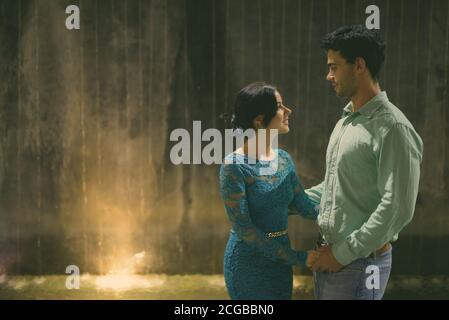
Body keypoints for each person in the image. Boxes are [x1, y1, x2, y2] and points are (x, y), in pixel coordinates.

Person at [306, 25, 424, 300]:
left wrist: (342, 254)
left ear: (358, 65)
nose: (329, 75)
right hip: (333, 259)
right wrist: (289, 201)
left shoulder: (393, 128)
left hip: (358, 264)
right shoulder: (347, 121)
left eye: (334, 67)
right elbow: (338, 186)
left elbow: (397, 206)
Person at [219, 82, 319, 300]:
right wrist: (298, 258)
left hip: (281, 265)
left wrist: (351, 207)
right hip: (247, 265)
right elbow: (245, 230)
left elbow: (306, 207)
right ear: (259, 120)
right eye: (280, 106)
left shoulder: (283, 160)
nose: (288, 111)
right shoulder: (233, 166)